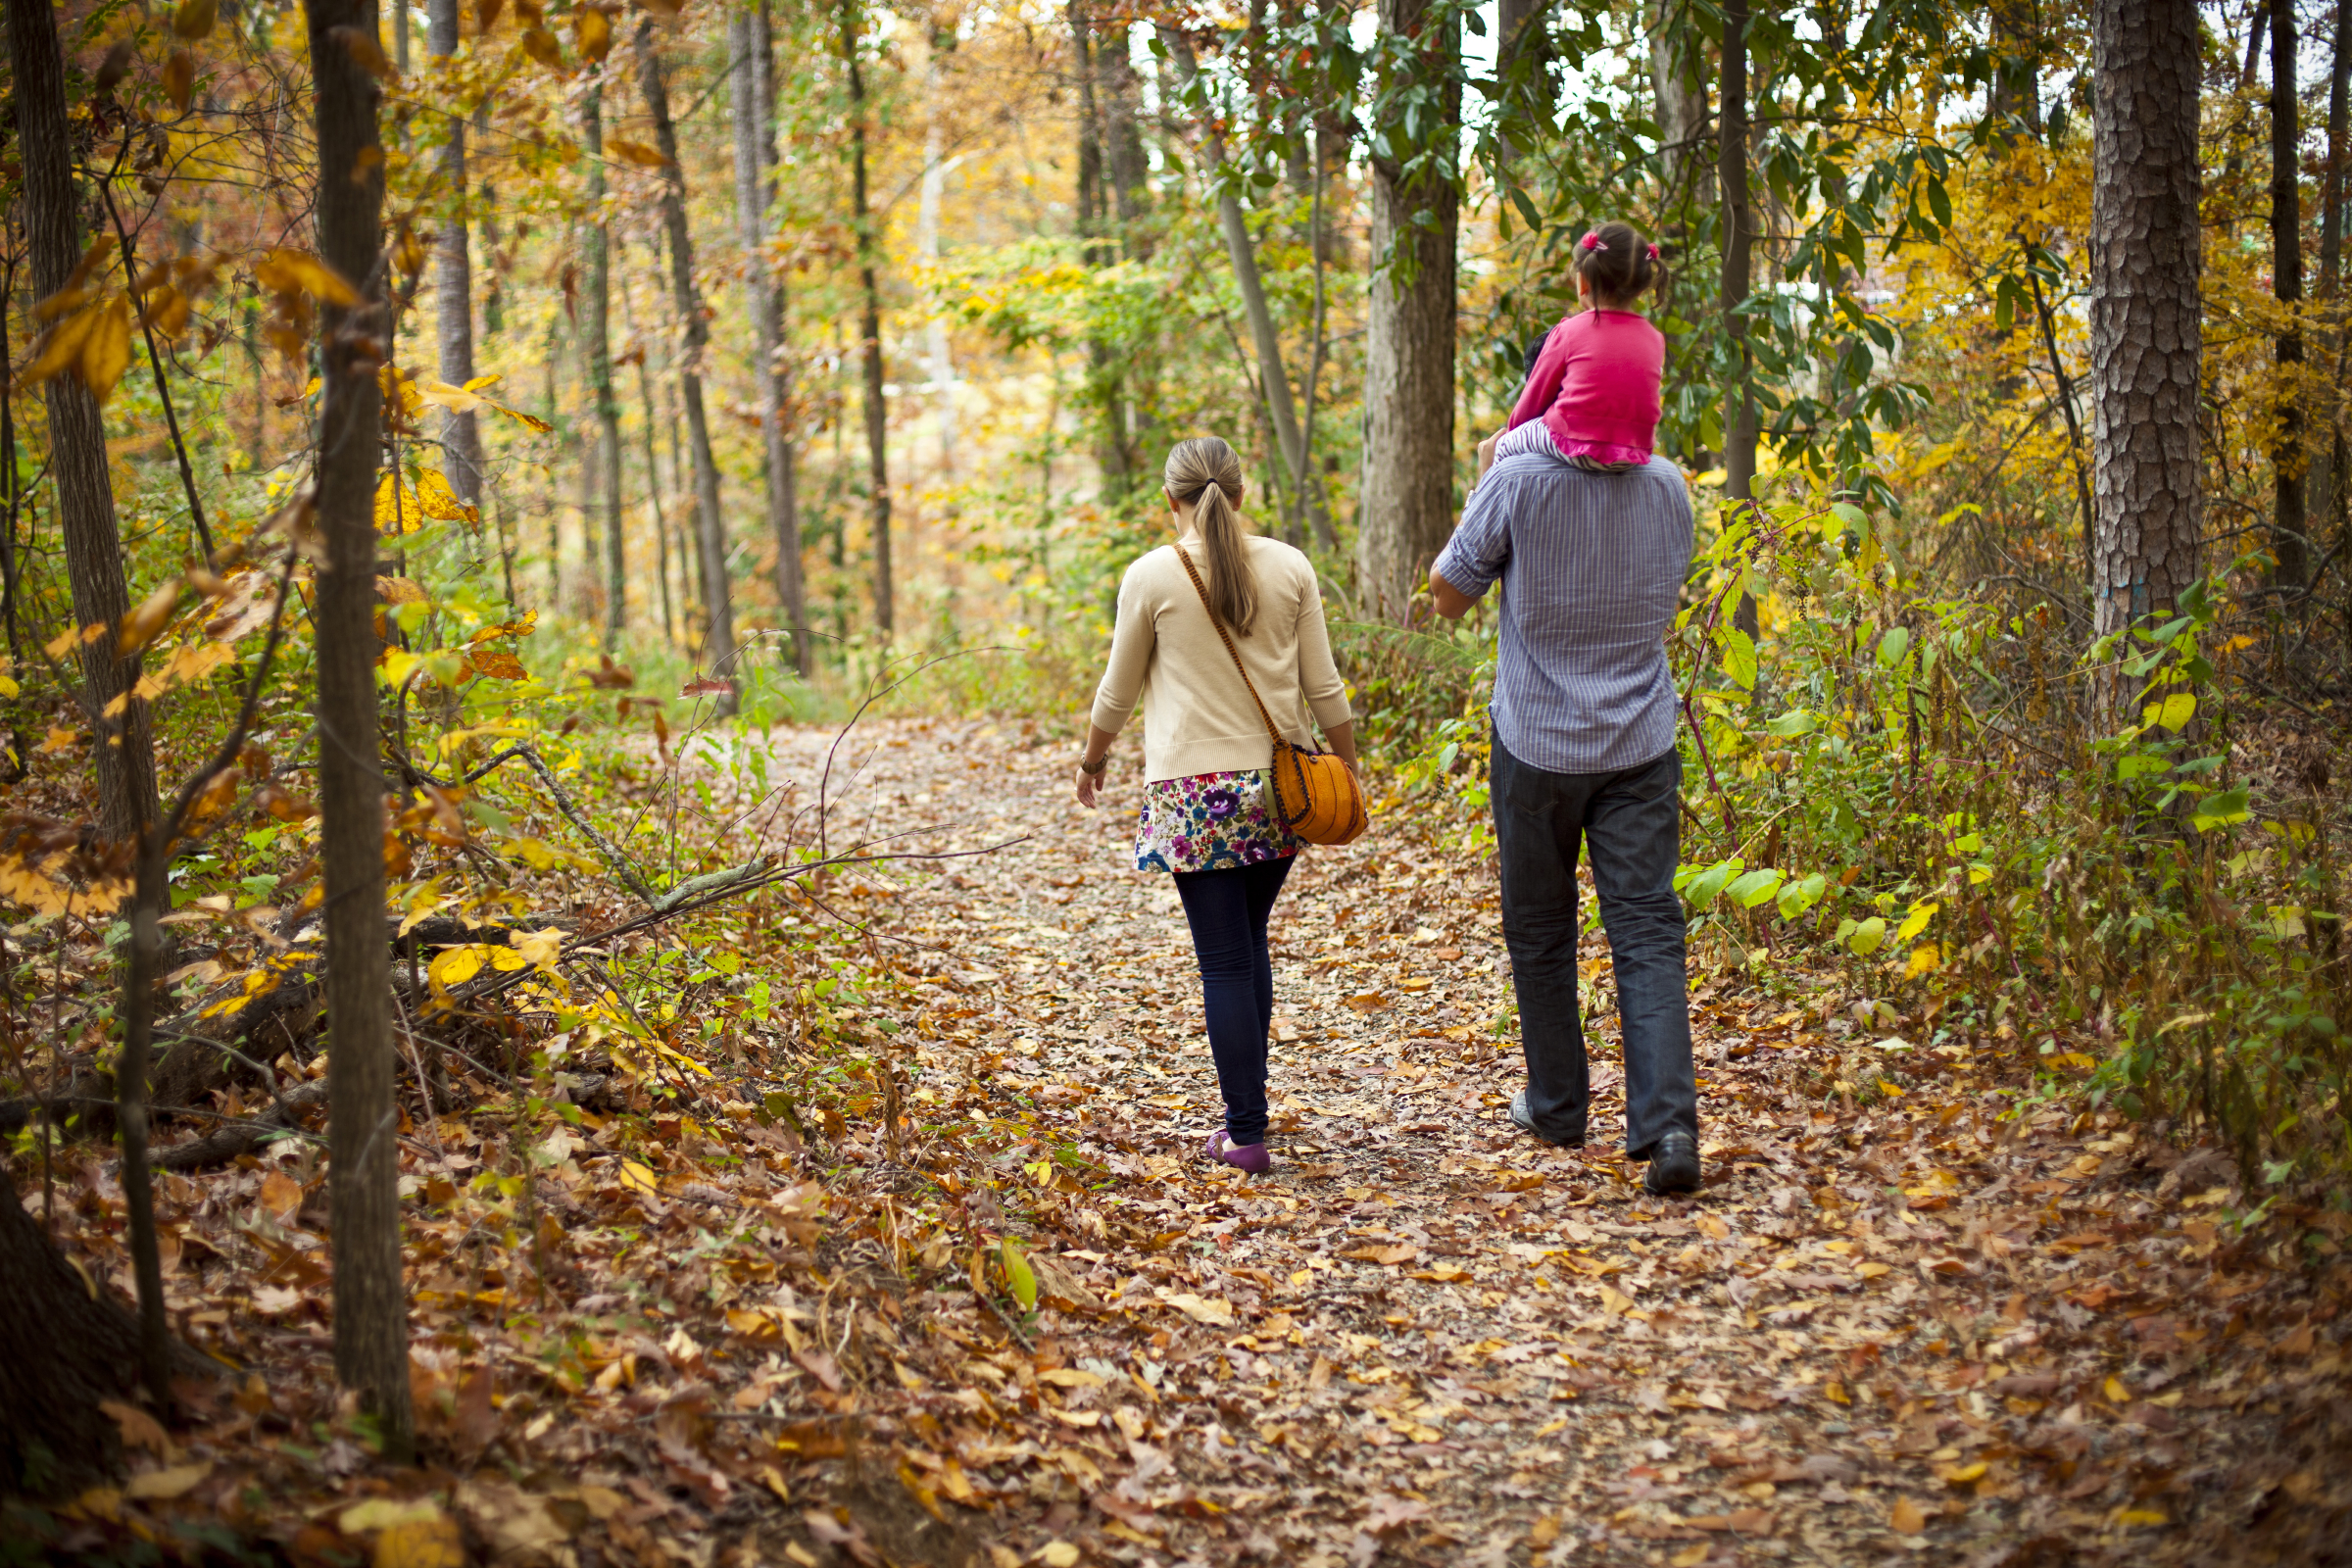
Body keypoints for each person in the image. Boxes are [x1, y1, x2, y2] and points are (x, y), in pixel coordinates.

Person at [1428, 384, 1702, 1198]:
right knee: (1648, 928)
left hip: (1538, 741)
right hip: (1640, 741)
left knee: (1541, 927)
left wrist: (1487, 479)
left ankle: (1556, 1107)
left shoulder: (1515, 480)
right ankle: (1669, 1126)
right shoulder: (1667, 484)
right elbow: (1669, 603)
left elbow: (1446, 597)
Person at [1076, 437, 1359, 1175]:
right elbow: (1324, 686)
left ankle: (1245, 1131)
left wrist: (1093, 757)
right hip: (1280, 788)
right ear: (1241, 493)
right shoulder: (1290, 565)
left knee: (1227, 961)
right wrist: (1348, 768)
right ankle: (1249, 1114)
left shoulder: (1150, 576)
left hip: (1192, 795)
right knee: (1247, 947)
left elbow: (1118, 688)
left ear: (1169, 501)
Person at [1490, 220, 1668, 475]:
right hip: (1633, 452)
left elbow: (1533, 400)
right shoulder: (1655, 337)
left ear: (1583, 281)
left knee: (1502, 446)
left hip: (1574, 444)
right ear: (1641, 287)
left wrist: (1513, 432)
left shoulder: (1570, 330)